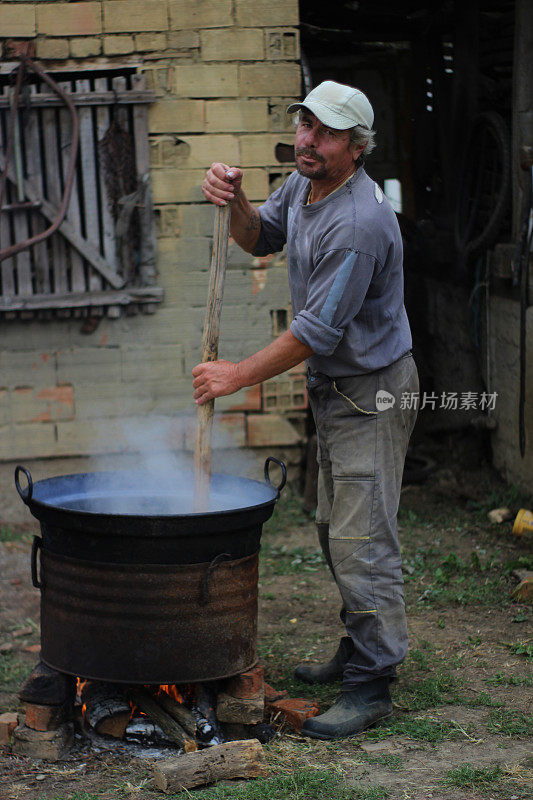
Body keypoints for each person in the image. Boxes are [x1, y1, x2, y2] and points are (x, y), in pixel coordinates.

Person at [194, 80, 419, 739]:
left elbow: (315, 333)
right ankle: (358, 643)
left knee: (362, 538)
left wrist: (234, 375)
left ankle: (372, 681)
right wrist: (234, 199)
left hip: (370, 394)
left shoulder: (358, 223)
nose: (307, 140)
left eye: (324, 132)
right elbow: (257, 237)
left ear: (357, 146)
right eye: (304, 125)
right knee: (335, 528)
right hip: (339, 390)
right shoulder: (305, 185)